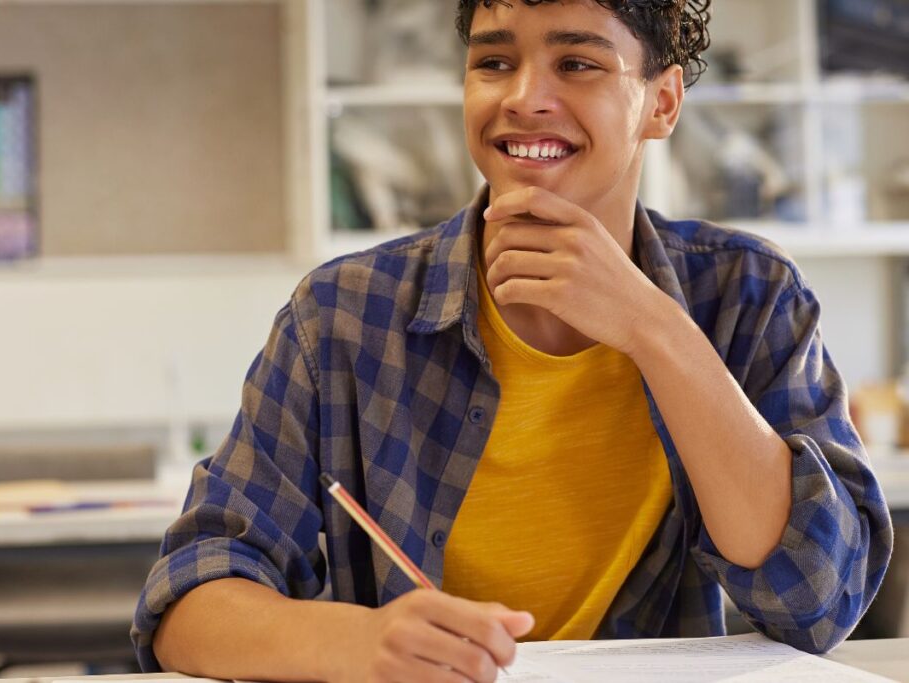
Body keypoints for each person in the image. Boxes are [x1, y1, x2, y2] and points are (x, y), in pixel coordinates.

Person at [131, 1, 893, 681]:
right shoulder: (340, 316)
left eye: (577, 62)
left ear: (661, 102)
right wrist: (356, 642)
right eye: (494, 61)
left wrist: (654, 326)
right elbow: (187, 602)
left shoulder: (750, 298)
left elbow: (819, 597)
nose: (524, 98)